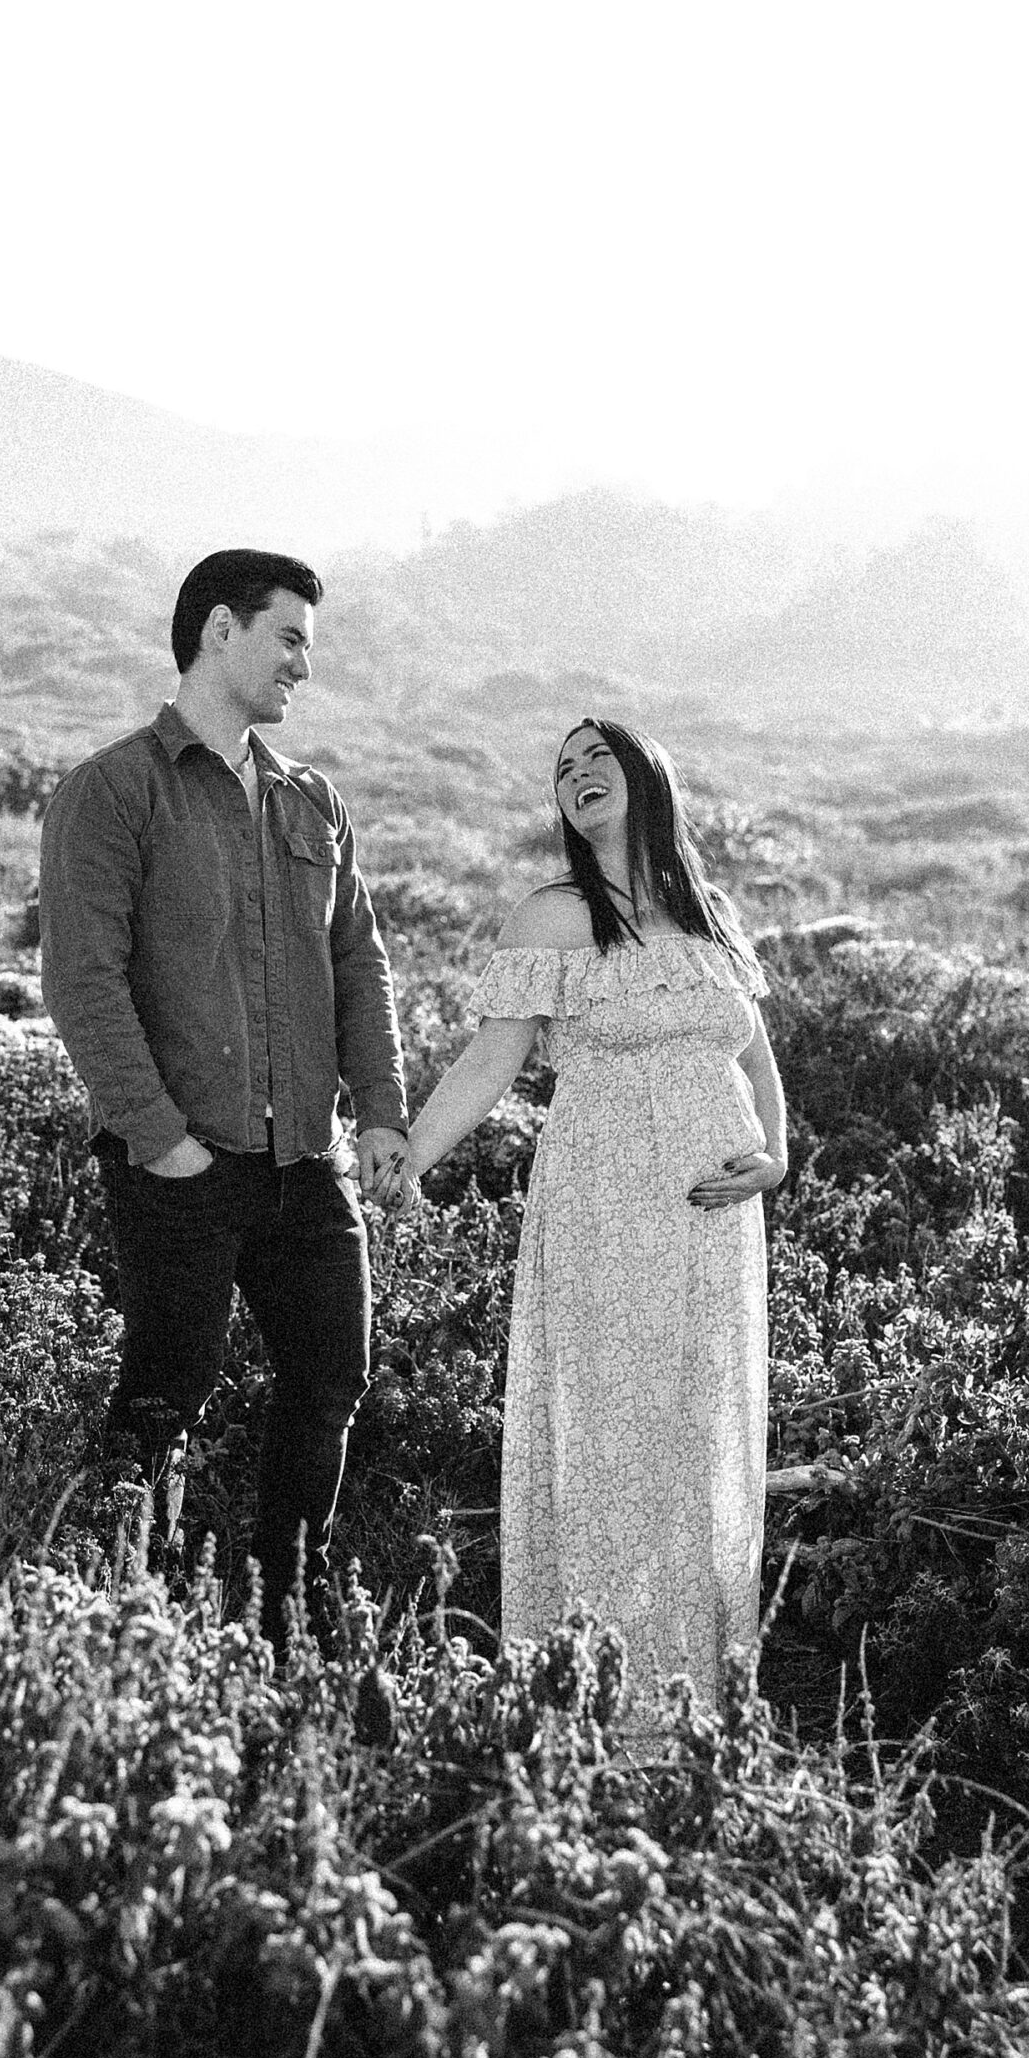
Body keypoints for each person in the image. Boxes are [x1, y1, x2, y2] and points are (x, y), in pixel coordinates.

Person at [377, 717, 786, 1730]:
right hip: (606, 1199)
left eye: (596, 757)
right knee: (609, 1430)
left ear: (648, 775)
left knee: (700, 1433)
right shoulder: (551, 915)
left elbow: (757, 1055)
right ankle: (599, 1700)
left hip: (717, 1224)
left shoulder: (711, 912)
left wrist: (773, 1156)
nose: (575, 775)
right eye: (561, 769)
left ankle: (696, 1697)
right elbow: (491, 1058)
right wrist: (406, 1159)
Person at [38, 548, 410, 1651]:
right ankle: (124, 1632)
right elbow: (81, 981)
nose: (303, 663)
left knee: (328, 1383)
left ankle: (277, 1628)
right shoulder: (112, 790)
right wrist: (159, 1144)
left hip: (307, 1160)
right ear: (216, 631)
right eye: (288, 636)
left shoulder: (313, 800)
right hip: (180, 1168)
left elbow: (360, 963)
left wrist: (380, 1112)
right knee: (164, 1397)